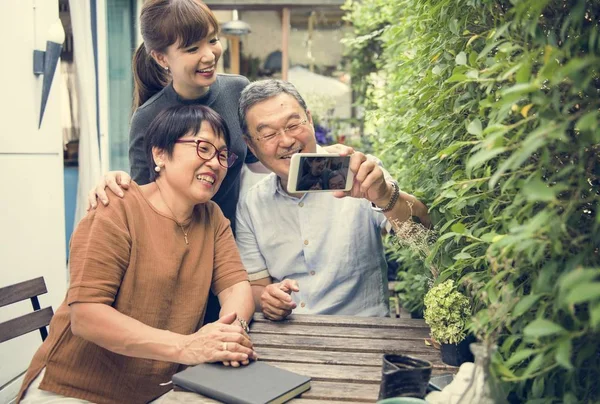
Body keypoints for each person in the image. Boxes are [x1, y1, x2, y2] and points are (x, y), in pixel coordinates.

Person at [17, 105, 256, 404]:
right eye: (203, 148)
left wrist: (231, 332)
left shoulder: (212, 217)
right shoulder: (116, 207)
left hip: (159, 389)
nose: (216, 164)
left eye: (222, 155)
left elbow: (234, 285)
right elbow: (87, 316)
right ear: (160, 155)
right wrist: (188, 346)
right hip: (75, 389)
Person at [235, 79, 432, 321]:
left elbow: (426, 235)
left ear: (309, 118)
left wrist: (385, 196)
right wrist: (267, 298)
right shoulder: (252, 205)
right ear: (250, 146)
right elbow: (256, 286)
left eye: (293, 124)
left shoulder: (359, 172)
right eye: (268, 134)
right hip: (291, 333)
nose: (286, 140)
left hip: (364, 330)